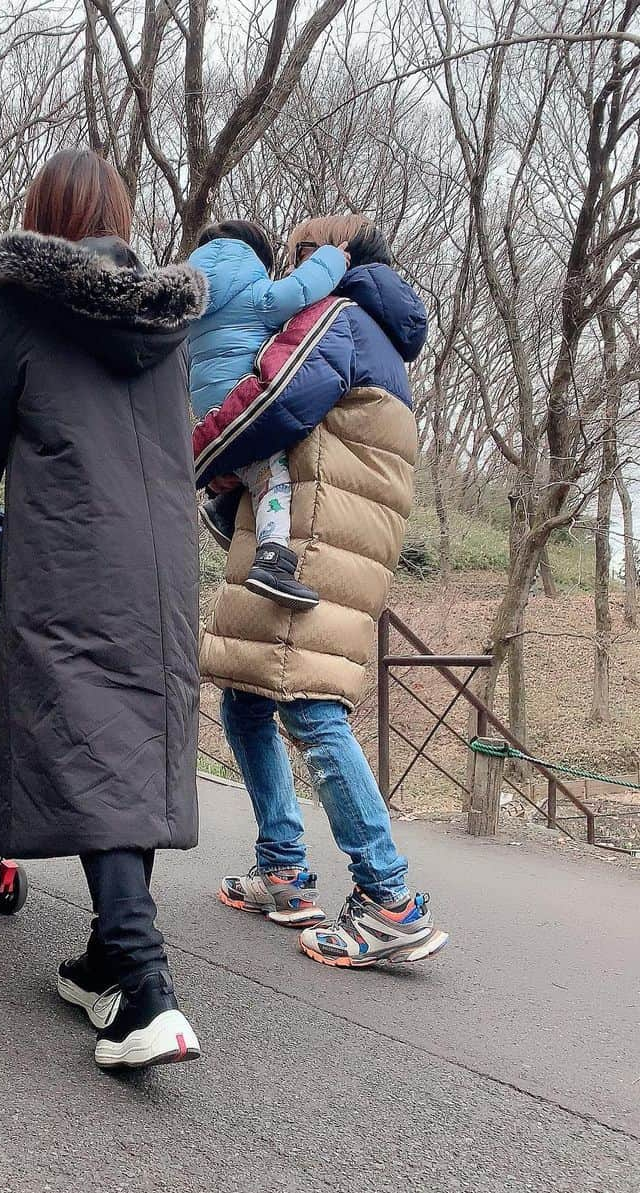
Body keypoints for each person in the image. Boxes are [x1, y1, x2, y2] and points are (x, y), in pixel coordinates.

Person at [0, 149, 206, 1067]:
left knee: (87, 735)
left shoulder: (24, 305)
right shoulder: (169, 323)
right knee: (127, 733)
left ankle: (146, 989)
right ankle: (102, 961)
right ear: (120, 217)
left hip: (74, 554)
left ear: (43, 213)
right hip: (161, 562)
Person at [198, 214, 449, 968]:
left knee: (310, 708)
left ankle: (389, 898)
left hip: (307, 538)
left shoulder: (336, 318)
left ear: (329, 259)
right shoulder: (380, 337)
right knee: (246, 700)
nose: (288, 268)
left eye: (300, 253)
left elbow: (274, 399)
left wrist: (193, 453)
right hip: (331, 534)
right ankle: (283, 869)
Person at [187, 221, 348, 609]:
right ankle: (273, 559)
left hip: (208, 413)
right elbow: (300, 289)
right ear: (256, 257)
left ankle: (223, 512)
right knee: (274, 478)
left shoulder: (192, 304)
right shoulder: (255, 292)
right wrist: (332, 258)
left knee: (243, 471)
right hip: (244, 404)